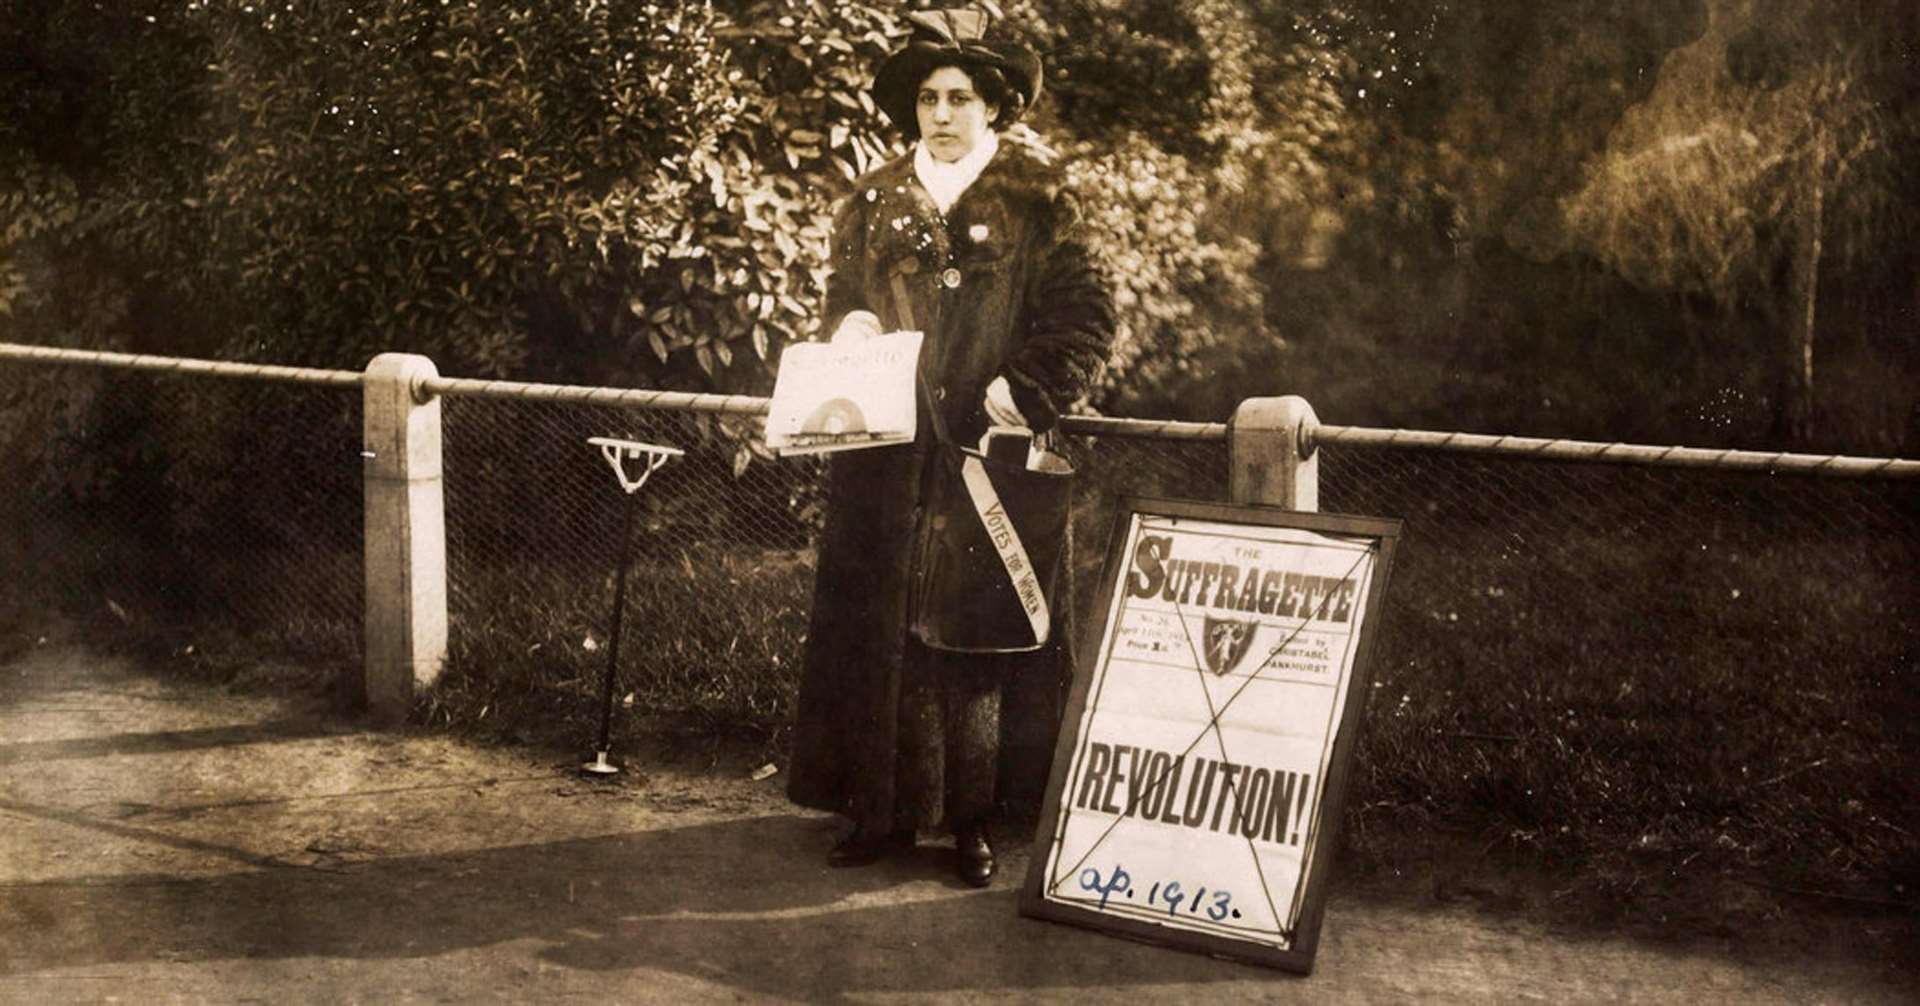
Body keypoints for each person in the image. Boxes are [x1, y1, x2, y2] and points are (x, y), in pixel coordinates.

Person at [785, 8, 1116, 888]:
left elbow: (1086, 318)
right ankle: (879, 812)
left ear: (995, 107)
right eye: (928, 98)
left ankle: (975, 821)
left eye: (960, 98)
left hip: (987, 452)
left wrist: (1029, 388)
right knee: (881, 627)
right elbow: (836, 301)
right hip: (886, 455)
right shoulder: (874, 198)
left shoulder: (1041, 200)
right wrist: (848, 323)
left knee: (981, 634)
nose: (941, 114)